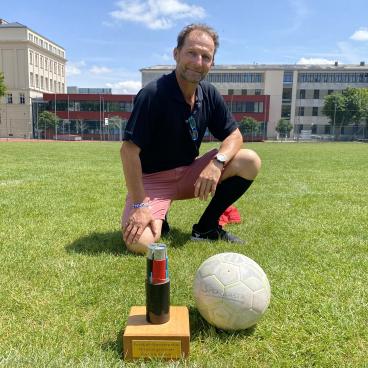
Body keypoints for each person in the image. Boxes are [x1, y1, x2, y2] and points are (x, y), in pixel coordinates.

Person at [121, 23, 261, 254]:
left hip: (189, 175)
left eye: (206, 56)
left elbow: (234, 135)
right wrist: (139, 205)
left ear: (212, 63)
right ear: (176, 54)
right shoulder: (153, 94)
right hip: (153, 183)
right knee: (142, 244)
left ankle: (206, 228)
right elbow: (128, 152)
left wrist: (218, 163)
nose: (198, 62)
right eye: (192, 53)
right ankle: (158, 214)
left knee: (249, 160)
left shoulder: (209, 93)